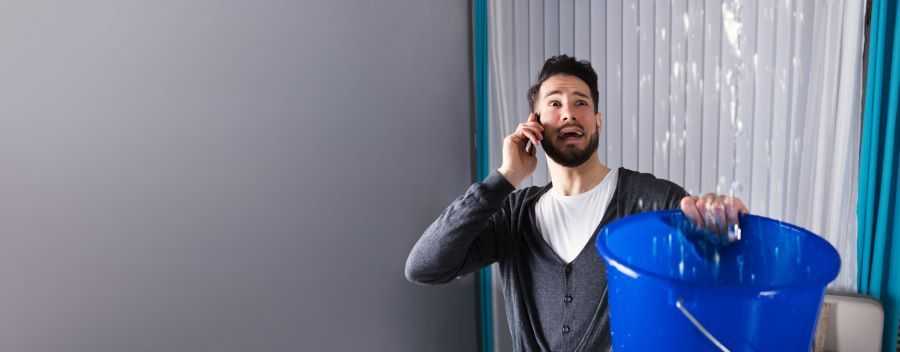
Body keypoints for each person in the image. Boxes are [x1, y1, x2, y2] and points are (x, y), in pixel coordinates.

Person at [404, 55, 748, 352]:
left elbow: (718, 269)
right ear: (534, 124)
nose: (568, 113)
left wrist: (720, 218)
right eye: (554, 104)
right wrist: (504, 177)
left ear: (597, 120)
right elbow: (424, 266)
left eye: (581, 102)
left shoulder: (651, 199)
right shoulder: (513, 215)